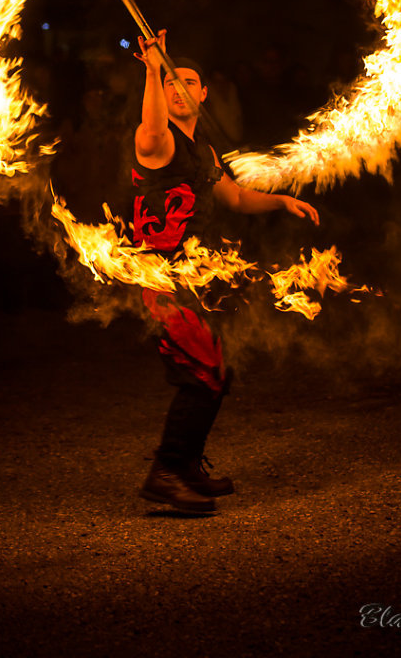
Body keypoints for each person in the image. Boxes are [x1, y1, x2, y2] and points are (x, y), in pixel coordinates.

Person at [133, 30, 319, 514]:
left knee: (219, 370)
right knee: (201, 373)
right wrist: (153, 70)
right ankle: (166, 475)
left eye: (186, 81)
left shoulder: (204, 152)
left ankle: (187, 465)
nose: (178, 89)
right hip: (163, 279)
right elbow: (151, 130)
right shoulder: (158, 143)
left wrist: (280, 200)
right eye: (171, 82)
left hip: (198, 277)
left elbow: (233, 197)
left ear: (202, 93)